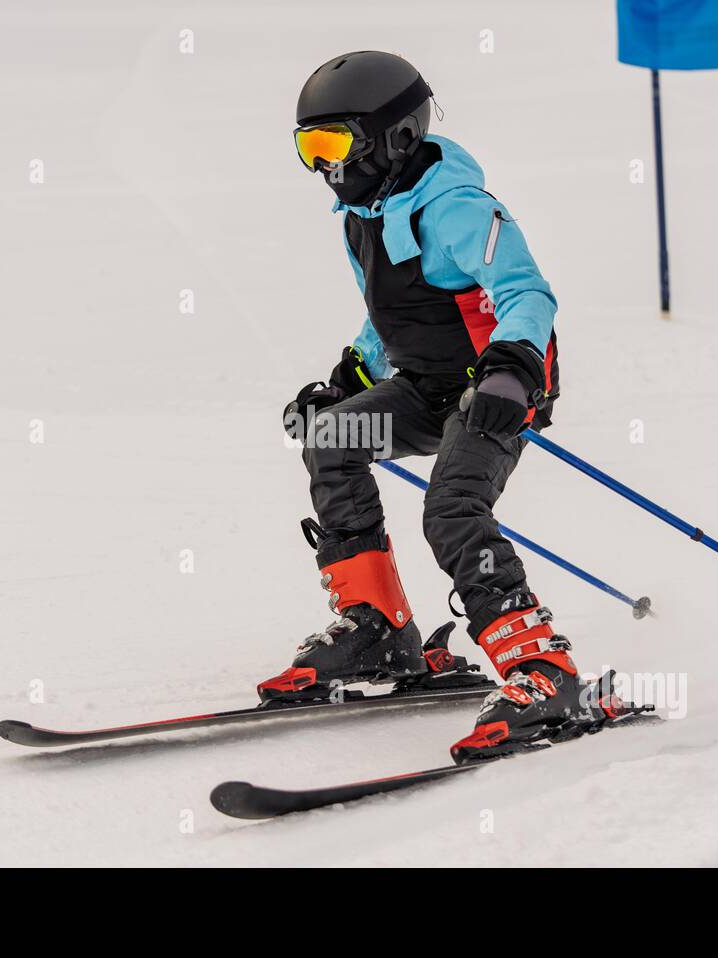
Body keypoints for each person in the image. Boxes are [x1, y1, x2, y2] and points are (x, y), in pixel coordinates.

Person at [261, 51, 621, 763]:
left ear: (393, 137)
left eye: (334, 144)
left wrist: (512, 376)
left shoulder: (456, 206)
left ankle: (543, 671)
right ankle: (378, 627)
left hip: (495, 392)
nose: (325, 167)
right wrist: (351, 378)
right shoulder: (360, 215)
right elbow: (389, 314)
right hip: (427, 387)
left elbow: (527, 294)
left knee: (452, 507)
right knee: (332, 438)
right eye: (310, 148)